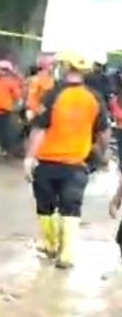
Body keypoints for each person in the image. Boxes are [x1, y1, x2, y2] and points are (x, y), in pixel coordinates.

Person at [24, 51, 110, 269]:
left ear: (65, 67)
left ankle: (51, 245)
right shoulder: (95, 97)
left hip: (47, 162)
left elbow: (39, 129)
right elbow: (103, 131)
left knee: (45, 206)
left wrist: (29, 158)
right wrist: (102, 151)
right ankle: (67, 253)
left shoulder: (53, 94)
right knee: (71, 206)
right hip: (77, 164)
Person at [25, 55, 55, 124]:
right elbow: (31, 99)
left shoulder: (52, 80)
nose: (53, 67)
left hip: (48, 114)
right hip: (38, 115)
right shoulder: (36, 80)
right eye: (51, 64)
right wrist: (39, 110)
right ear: (45, 66)